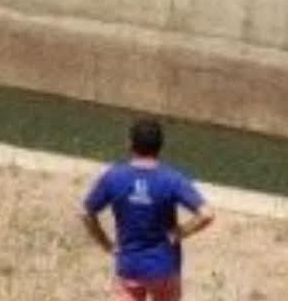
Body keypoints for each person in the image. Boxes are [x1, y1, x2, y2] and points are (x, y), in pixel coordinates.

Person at [81, 119, 215, 301]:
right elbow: (207, 214)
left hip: (129, 266)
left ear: (130, 144)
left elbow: (86, 213)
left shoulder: (114, 177)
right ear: (160, 146)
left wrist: (107, 244)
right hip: (164, 267)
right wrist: (179, 233)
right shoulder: (172, 179)